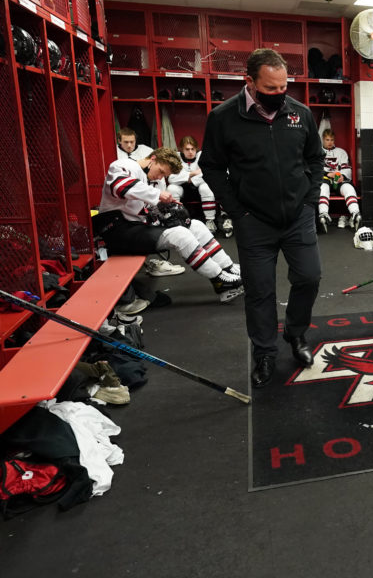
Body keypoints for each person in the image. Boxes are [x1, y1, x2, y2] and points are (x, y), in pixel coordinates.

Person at [199, 48, 325, 388]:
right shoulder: (223, 117)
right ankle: (265, 352)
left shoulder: (300, 114)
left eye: (284, 87)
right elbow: (210, 166)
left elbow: (316, 160)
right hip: (254, 220)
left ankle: (296, 335)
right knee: (260, 291)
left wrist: (310, 202)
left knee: (309, 277)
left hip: (297, 216)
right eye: (271, 89)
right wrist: (236, 210)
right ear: (250, 82)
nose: (279, 95)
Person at [92, 147, 243, 301]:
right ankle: (219, 280)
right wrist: (158, 195)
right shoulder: (123, 165)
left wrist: (170, 209)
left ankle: (228, 267)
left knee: (195, 225)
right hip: (117, 230)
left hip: (140, 228)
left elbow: (152, 209)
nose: (160, 176)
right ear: (153, 159)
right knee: (180, 235)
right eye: (161, 171)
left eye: (165, 175)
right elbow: (120, 187)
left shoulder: (157, 181)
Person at [166, 136, 232, 238]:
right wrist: (193, 173)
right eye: (187, 149)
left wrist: (188, 178)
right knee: (172, 188)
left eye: (193, 149)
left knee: (205, 187)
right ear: (181, 149)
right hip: (183, 190)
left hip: (200, 188)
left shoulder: (202, 155)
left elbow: (208, 174)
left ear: (196, 148)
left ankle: (210, 222)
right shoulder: (176, 157)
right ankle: (176, 221)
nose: (190, 152)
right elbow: (171, 178)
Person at [317, 129, 360, 232]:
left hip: (337, 179)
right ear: (323, 139)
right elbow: (315, 169)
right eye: (327, 140)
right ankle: (323, 214)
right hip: (325, 179)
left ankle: (355, 213)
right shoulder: (317, 152)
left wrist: (343, 177)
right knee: (323, 188)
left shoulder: (341, 152)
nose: (330, 142)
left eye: (332, 140)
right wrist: (327, 174)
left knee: (348, 188)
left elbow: (347, 168)